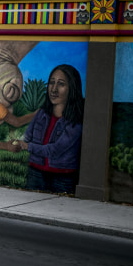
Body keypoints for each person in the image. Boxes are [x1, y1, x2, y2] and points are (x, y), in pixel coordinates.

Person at [18, 64, 84, 194]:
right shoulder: (42, 113)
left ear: (72, 88)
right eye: (51, 83)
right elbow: (27, 135)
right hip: (35, 172)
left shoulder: (75, 122)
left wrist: (27, 146)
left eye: (61, 84)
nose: (54, 89)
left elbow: (55, 150)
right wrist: (17, 143)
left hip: (62, 177)